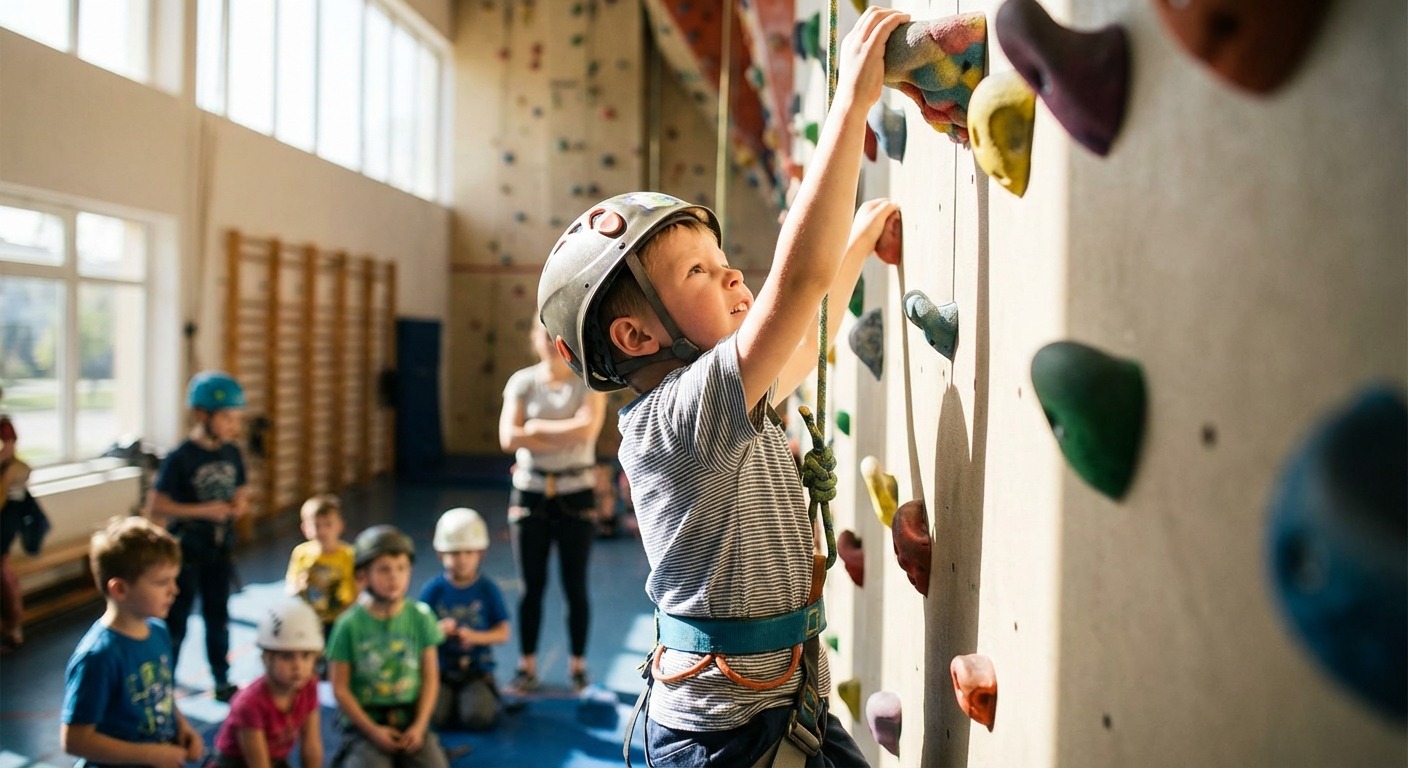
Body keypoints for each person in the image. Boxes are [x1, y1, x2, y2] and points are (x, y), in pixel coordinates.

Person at [535, 8, 908, 765]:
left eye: (721, 256)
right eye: (699, 272)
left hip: (780, 703)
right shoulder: (677, 418)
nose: (732, 272)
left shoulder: (731, 403)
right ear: (637, 338)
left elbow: (807, 333)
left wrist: (862, 239)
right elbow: (796, 291)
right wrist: (850, 104)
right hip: (725, 740)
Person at [497, 324, 606, 692]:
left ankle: (578, 668)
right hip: (530, 492)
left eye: (554, 335)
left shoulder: (587, 382)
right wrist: (563, 428)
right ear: (534, 339)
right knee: (532, 586)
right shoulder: (522, 383)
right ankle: (526, 666)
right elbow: (508, 437)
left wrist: (535, 426)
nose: (548, 343)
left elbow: (586, 430)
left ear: (566, 343)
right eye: (541, 335)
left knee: (575, 586)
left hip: (576, 492)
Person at [60, 515, 205, 768]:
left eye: (174, 579)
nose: (175, 590)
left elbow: (160, 695)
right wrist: (149, 755)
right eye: (162, 582)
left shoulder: (158, 631)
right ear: (120, 590)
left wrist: (182, 726)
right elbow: (75, 740)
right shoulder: (99, 656)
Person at [149, 370, 250, 702]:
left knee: (217, 617)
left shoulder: (232, 453)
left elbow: (242, 489)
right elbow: (158, 505)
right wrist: (206, 511)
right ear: (201, 415)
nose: (234, 426)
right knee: (176, 620)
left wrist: (238, 504)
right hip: (187, 551)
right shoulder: (181, 457)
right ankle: (166, 685)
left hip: (219, 551)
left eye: (236, 418)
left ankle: (221, 679)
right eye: (227, 418)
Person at [327, 525, 448, 768]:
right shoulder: (347, 625)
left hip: (410, 720)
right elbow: (340, 689)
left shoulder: (421, 617)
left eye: (401, 568)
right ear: (363, 577)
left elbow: (430, 677)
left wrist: (420, 726)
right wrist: (372, 731)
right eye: (384, 570)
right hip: (365, 725)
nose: (394, 577)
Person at [419, 507, 511, 730]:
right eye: (454, 553)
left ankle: (477, 698)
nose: (461, 560)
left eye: (468, 553)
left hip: (475, 671)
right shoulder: (433, 590)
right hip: (439, 672)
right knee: (434, 718)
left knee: (477, 718)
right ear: (441, 554)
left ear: (481, 554)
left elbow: (503, 633)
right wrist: (437, 630)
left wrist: (474, 636)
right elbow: (418, 633)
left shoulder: (487, 589)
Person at [208, 598, 324, 768]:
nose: (298, 666)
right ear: (266, 658)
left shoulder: (308, 686)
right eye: (286, 656)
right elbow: (258, 764)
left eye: (306, 655)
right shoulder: (249, 703)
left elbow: (311, 746)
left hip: (273, 759)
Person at [286, 493, 357, 641]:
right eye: (316, 525)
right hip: (309, 619)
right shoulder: (301, 553)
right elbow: (290, 587)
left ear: (340, 525)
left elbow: (357, 591)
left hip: (339, 619)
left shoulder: (349, 555)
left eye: (328, 524)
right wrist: (299, 586)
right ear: (305, 528)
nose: (323, 531)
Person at [0, 385, 30, 651]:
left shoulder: (4, 425)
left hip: (6, 511)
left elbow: (8, 454)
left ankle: (14, 625)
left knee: (2, 566)